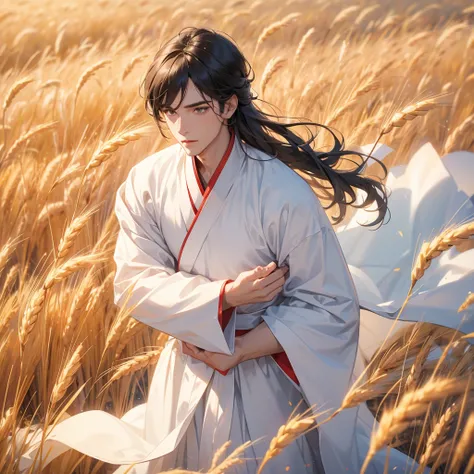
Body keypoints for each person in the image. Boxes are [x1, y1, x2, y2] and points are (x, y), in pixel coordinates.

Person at [13, 27, 474, 474]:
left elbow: (331, 305)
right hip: (185, 372)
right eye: (170, 113)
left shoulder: (281, 191)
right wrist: (227, 297)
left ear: (229, 105)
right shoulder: (147, 183)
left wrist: (242, 348)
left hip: (264, 383)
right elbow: (132, 283)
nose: (181, 127)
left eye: (196, 109)